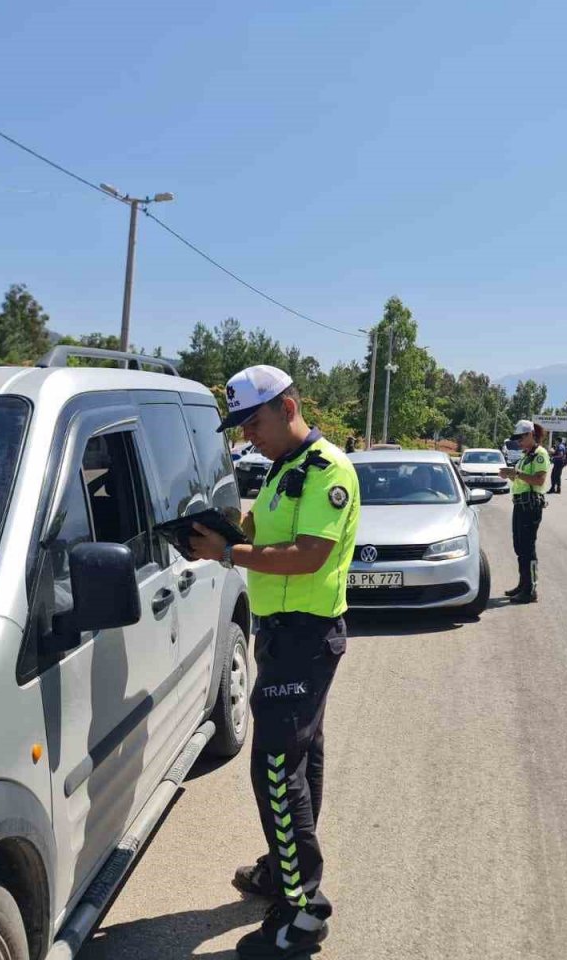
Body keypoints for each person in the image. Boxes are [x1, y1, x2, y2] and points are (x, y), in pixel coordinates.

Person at [188, 364, 360, 959]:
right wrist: (223, 531)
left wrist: (229, 551)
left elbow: (308, 556)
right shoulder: (285, 468)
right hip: (282, 637)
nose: (247, 436)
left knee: (275, 773)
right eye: (240, 426)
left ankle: (305, 910)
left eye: (253, 422)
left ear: (289, 408)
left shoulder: (327, 471)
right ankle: (282, 872)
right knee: (301, 762)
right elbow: (261, 533)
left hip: (307, 639)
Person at [498, 420, 549, 604]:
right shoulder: (525, 455)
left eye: (521, 438)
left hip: (531, 506)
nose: (518, 442)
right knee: (519, 547)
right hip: (520, 504)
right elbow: (520, 480)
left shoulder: (539, 454)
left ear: (530, 435)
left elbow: (539, 480)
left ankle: (531, 589)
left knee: (528, 549)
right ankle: (523, 584)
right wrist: (510, 474)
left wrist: (516, 474)